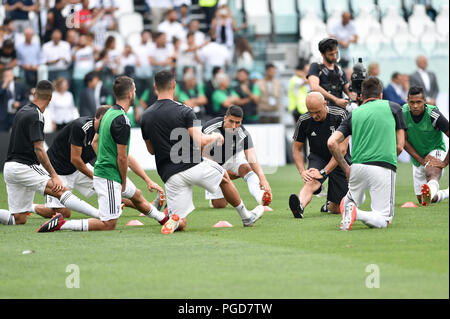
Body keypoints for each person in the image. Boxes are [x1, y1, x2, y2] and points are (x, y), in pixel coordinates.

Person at [37, 76, 168, 232]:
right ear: (130, 94)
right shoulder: (112, 120)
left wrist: (146, 179)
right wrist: (116, 178)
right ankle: (50, 218)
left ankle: (162, 217)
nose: (135, 93)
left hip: (98, 172)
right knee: (74, 215)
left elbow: (100, 146)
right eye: (134, 90)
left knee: (135, 195)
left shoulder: (110, 116)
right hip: (65, 170)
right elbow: (117, 157)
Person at [140, 70, 264, 234]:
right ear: (174, 86)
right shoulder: (185, 110)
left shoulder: (145, 117)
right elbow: (200, 141)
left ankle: (176, 220)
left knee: (182, 222)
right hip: (191, 164)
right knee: (225, 178)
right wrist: (215, 136)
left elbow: (151, 151)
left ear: (155, 87)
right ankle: (246, 216)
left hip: (169, 174)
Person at [0, 80, 99, 227]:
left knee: (19, 219)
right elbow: (39, 148)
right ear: (51, 98)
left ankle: (32, 208)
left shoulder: (23, 110)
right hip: (24, 166)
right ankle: (100, 215)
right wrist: (54, 176)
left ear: (34, 93)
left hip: (9, 168)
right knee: (61, 190)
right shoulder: (37, 116)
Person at [327, 77, 407, 231]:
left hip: (357, 167)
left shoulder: (354, 114)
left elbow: (332, 142)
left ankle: (350, 209)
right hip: (383, 165)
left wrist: (346, 168)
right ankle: (357, 213)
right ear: (381, 95)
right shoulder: (394, 107)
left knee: (350, 199)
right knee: (384, 220)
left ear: (362, 97)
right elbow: (400, 146)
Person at [289, 92, 350, 218]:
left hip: (339, 160)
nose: (314, 116)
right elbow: (296, 149)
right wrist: (302, 171)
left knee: (337, 209)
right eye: (311, 112)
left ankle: (328, 205)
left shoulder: (340, 115)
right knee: (311, 181)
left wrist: (323, 172)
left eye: (317, 112)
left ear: (324, 104)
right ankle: (299, 207)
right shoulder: (304, 120)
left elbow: (342, 150)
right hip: (318, 157)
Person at [202, 105, 272, 209]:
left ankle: (260, 196)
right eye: (231, 121)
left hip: (232, 158)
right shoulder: (209, 128)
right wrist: (222, 172)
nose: (234, 126)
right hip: (211, 163)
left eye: (238, 122)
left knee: (247, 169)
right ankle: (220, 190)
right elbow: (201, 155)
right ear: (225, 118)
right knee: (220, 205)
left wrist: (263, 178)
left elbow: (251, 157)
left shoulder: (243, 133)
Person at [402, 86, 449, 206]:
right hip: (418, 158)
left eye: (419, 102)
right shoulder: (403, 113)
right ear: (407, 101)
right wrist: (421, 159)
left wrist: (444, 163)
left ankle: (433, 183)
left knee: (431, 172)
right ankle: (446, 192)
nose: (415, 106)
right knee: (424, 200)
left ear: (424, 100)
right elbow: (404, 141)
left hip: (436, 150)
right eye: (412, 102)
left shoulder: (434, 114)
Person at [307, 38, 355, 109]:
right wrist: (336, 100)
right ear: (322, 54)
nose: (334, 57)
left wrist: (357, 96)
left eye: (336, 53)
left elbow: (349, 91)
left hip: (339, 112)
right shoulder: (316, 67)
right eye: (331, 54)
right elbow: (314, 88)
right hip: (322, 110)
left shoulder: (339, 70)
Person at [0, 67, 27, 132]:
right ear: (3, 76)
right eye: (6, 75)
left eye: (10, 75)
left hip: (16, 114)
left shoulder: (19, 86)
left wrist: (19, 104)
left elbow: (25, 99)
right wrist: (4, 85)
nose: (9, 77)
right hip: (3, 116)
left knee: (18, 134)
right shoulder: (1, 85)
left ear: (13, 75)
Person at [15, 27, 41, 92]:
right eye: (28, 34)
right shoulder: (19, 47)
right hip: (24, 70)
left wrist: (37, 66)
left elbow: (41, 59)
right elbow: (17, 60)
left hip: (35, 70)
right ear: (25, 35)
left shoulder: (37, 46)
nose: (29, 36)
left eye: (31, 35)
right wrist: (23, 65)